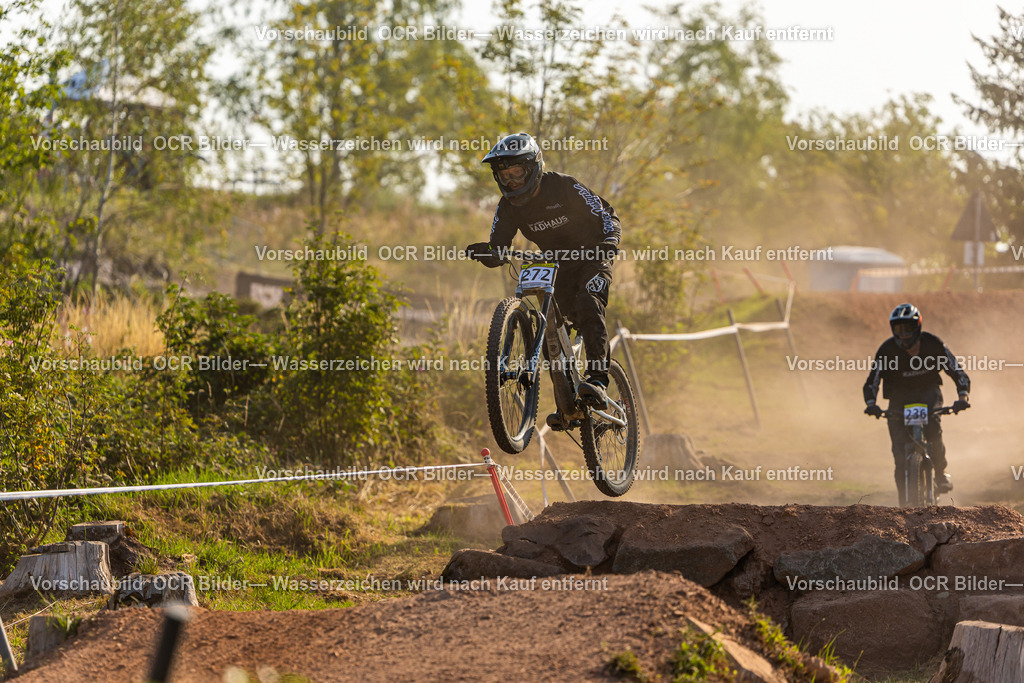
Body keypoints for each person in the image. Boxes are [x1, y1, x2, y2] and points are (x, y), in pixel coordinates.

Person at [466, 132, 621, 431]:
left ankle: (599, 380)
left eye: (517, 173)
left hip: (592, 255)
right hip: (556, 265)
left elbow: (605, 215)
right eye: (504, 176)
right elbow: (500, 244)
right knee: (550, 326)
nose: (511, 182)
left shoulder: (563, 186)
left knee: (588, 303)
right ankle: (567, 404)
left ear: (533, 166)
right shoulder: (508, 206)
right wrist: (491, 253)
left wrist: (609, 241)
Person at [863, 303, 971, 504]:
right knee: (899, 455)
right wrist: (871, 403)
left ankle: (940, 473)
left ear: (918, 326)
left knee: (934, 427)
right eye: (898, 329)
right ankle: (904, 503)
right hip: (899, 396)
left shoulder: (934, 344)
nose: (903, 334)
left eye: (907, 328)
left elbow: (957, 371)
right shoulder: (886, 350)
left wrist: (962, 397)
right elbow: (873, 380)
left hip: (928, 392)